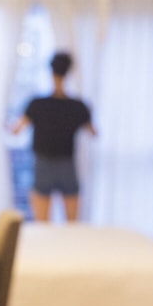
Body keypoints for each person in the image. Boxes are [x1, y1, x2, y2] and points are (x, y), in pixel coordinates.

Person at [11, 52, 97, 222]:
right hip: (66, 164)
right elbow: (93, 132)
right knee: (72, 224)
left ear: (51, 72)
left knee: (43, 225)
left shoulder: (37, 104)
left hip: (44, 164)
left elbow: (16, 130)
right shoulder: (78, 106)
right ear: (68, 72)